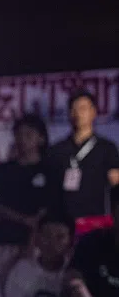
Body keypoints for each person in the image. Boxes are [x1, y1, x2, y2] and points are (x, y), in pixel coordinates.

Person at [0, 114, 53, 284]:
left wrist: (35, 229)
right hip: (8, 239)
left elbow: (54, 203)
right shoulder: (4, 171)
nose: (22, 139)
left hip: (43, 243)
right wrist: (23, 219)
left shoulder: (51, 170)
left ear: (41, 139)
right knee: (5, 287)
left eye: (28, 134)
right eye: (19, 134)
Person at [45, 89, 119, 224]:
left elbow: (115, 184)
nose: (78, 113)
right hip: (64, 223)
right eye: (73, 109)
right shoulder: (57, 150)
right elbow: (49, 188)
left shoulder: (106, 148)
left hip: (96, 220)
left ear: (94, 112)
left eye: (83, 108)